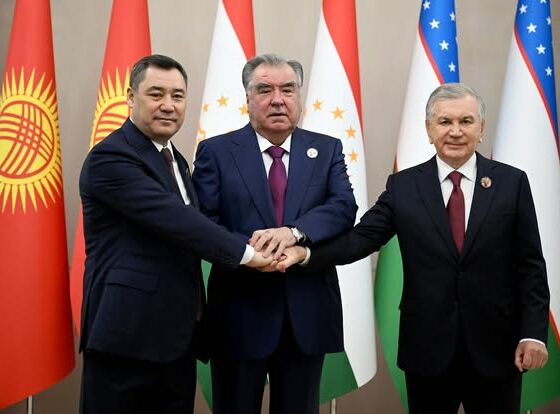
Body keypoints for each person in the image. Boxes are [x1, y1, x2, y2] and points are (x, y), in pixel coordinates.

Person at [278, 83, 550, 414]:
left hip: (498, 347)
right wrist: (305, 253)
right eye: (444, 122)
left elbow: (530, 265)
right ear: (428, 129)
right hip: (428, 348)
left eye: (466, 121)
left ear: (481, 128)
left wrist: (533, 334)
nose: (455, 131)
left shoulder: (512, 182)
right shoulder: (404, 186)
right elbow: (360, 239)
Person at [78, 54, 271, 414]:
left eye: (178, 96)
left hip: (177, 340)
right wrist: (249, 254)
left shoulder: (176, 160)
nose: (168, 105)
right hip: (126, 338)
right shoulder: (111, 158)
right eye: (156, 94)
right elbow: (178, 221)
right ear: (131, 97)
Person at [192, 53, 357, 414]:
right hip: (238, 314)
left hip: (306, 315)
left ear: (300, 96)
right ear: (247, 97)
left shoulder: (327, 149)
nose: (278, 100)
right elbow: (203, 222)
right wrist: (252, 253)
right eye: (265, 90)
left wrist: (293, 233)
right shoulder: (216, 152)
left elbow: (344, 207)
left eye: (288, 89)